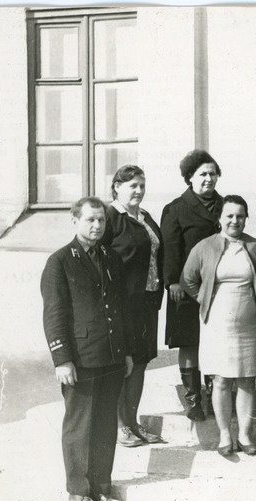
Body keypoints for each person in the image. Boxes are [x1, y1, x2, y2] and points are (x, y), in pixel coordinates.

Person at [41, 197, 133, 501]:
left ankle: (101, 488)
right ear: (75, 221)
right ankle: (78, 491)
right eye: (90, 220)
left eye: (101, 221)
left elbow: (120, 309)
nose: (96, 226)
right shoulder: (60, 261)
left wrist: (127, 353)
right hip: (80, 358)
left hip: (111, 355)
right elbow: (54, 315)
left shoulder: (111, 258)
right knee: (79, 426)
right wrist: (62, 359)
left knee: (106, 424)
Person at [181, 196, 256, 456]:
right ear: (220, 218)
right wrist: (203, 298)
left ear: (246, 218)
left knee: (247, 379)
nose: (234, 220)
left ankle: (244, 433)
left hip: (249, 321)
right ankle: (224, 435)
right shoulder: (205, 247)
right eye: (229, 215)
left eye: (240, 216)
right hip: (216, 322)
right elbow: (188, 279)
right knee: (220, 379)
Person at [102, 165, 165, 448]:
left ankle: (132, 421)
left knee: (140, 362)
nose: (138, 190)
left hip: (147, 302)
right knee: (122, 365)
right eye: (132, 186)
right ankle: (119, 426)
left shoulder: (145, 216)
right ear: (116, 187)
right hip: (122, 304)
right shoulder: (111, 218)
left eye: (142, 185)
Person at [161, 150, 224, 421]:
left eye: (212, 174)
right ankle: (193, 399)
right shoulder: (176, 208)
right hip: (185, 288)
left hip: (219, 288)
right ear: (190, 178)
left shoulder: (225, 205)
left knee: (215, 341)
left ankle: (213, 397)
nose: (208, 179)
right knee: (190, 343)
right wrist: (172, 281)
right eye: (202, 174)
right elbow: (170, 249)